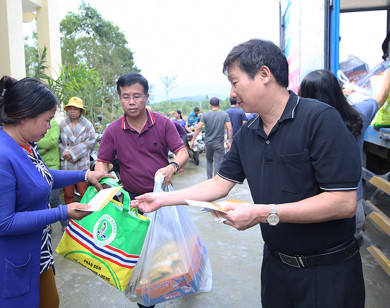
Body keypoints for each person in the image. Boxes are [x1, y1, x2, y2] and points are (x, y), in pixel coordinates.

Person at [131, 39, 365, 307]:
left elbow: (343, 202)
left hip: (328, 272)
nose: (232, 93)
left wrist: (262, 213)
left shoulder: (320, 120)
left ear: (264, 74)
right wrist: (161, 200)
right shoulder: (248, 134)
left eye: (235, 81)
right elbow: (219, 183)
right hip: (277, 268)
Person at [0, 76, 112, 307]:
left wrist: (85, 175)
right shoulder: (3, 155)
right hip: (14, 258)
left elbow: (43, 177)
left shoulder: (25, 145)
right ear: (24, 115)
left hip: (38, 253)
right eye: (47, 119)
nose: (50, 127)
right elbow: (4, 222)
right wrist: (63, 212)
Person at [298, 68, 390, 235]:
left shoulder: (299, 125)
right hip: (351, 208)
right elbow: (381, 95)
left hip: (312, 210)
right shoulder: (358, 115)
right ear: (338, 92)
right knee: (348, 255)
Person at [59, 97, 96, 205]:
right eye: (70, 108)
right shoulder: (62, 124)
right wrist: (65, 153)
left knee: (84, 192)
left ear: (80, 110)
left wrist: (73, 153)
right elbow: (58, 141)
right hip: (67, 163)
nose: (72, 111)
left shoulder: (87, 125)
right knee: (68, 193)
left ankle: (86, 217)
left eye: (75, 109)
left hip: (81, 163)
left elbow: (91, 141)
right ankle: (69, 217)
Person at [37, 118, 68, 232]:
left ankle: (65, 222)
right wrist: (41, 148)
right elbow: (31, 146)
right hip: (37, 165)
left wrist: (37, 142)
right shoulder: (34, 122)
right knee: (41, 199)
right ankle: (46, 225)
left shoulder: (53, 124)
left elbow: (51, 142)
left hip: (52, 166)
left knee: (54, 199)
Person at [191, 97, 232, 179]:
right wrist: (229, 142)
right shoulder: (225, 115)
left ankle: (209, 180)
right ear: (219, 104)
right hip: (219, 143)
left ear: (210, 105)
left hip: (208, 143)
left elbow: (198, 128)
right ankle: (216, 182)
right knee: (218, 163)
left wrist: (193, 140)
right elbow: (230, 128)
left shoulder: (205, 115)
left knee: (209, 161)